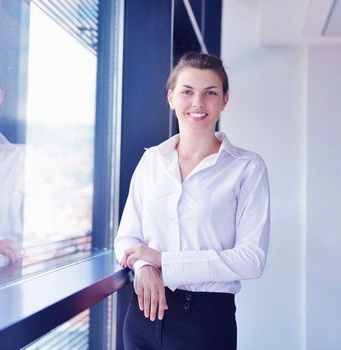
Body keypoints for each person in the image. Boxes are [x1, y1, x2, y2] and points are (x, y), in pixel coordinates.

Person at [114, 52, 270, 350]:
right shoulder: (152, 161)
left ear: (224, 100)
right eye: (187, 92)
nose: (198, 103)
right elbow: (127, 238)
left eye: (210, 93)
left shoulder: (247, 167)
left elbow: (252, 260)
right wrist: (146, 266)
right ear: (171, 98)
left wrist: (164, 261)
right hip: (141, 315)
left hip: (205, 323)